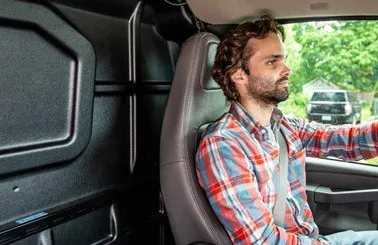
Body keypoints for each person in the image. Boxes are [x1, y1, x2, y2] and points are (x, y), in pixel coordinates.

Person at [195, 15, 378, 245]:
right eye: (273, 62)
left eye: (284, 59)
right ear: (239, 75)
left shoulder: (283, 126)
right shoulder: (223, 145)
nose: (288, 69)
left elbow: (349, 142)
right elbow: (263, 241)